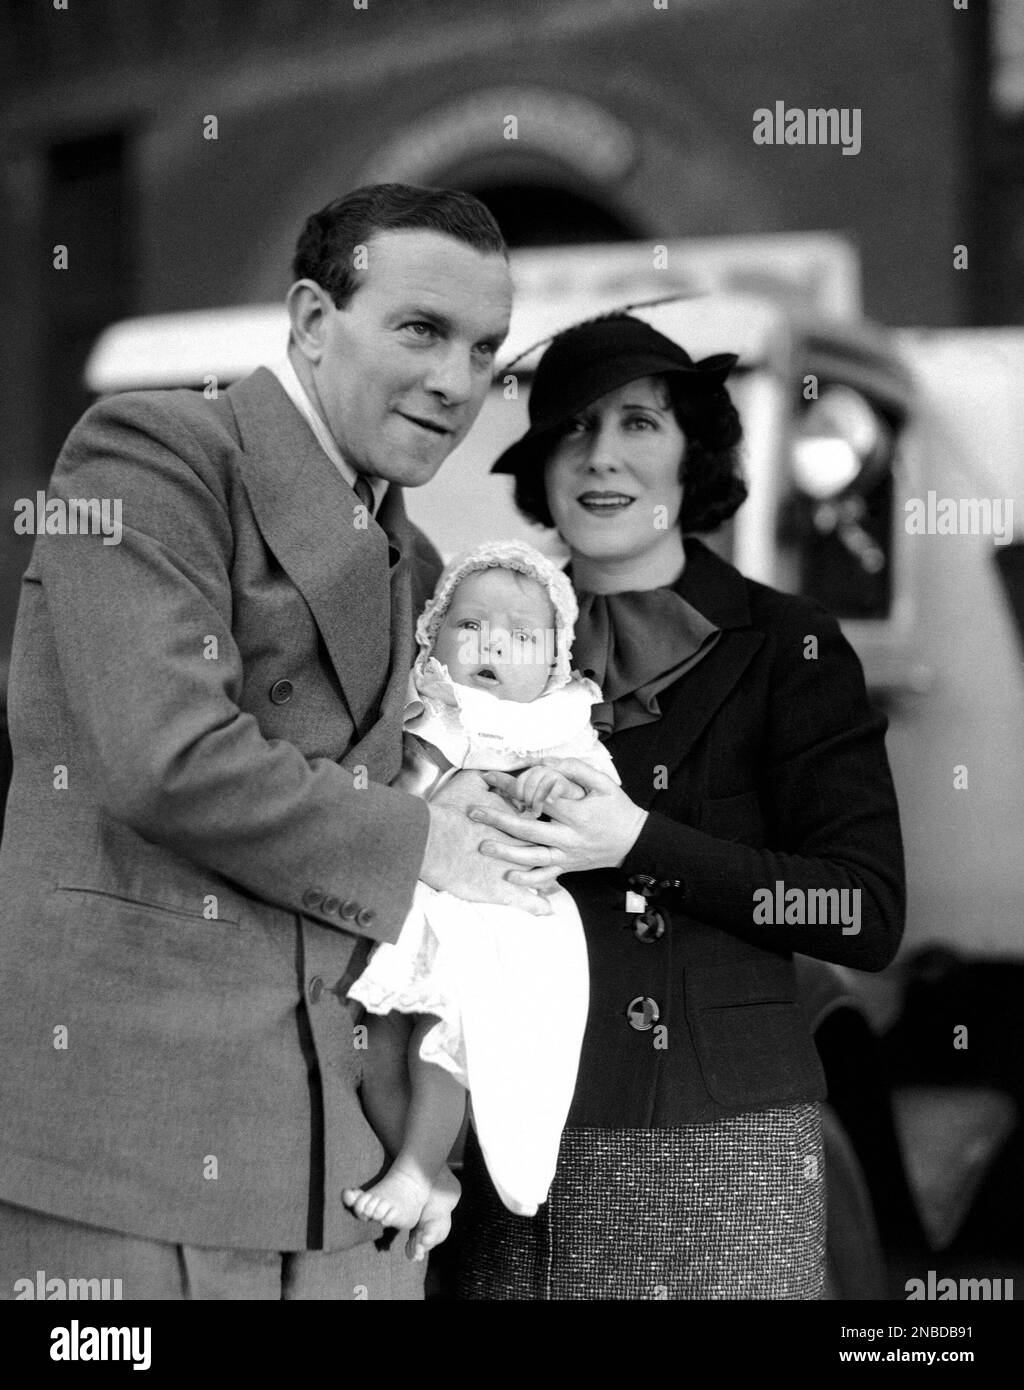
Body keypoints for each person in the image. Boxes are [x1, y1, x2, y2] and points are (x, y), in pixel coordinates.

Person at [0, 183, 553, 1302]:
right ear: (310, 319)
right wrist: (421, 842)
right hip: (141, 1152)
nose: (458, 379)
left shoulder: (422, 556)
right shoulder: (149, 455)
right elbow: (169, 756)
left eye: (485, 346)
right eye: (421, 329)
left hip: (350, 1171)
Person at [452, 313, 906, 1300]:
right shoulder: (477, 639)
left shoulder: (791, 644)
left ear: (690, 454)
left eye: (638, 424)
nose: (601, 455)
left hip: (719, 1155)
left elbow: (859, 912)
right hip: (503, 1150)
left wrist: (638, 841)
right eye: (573, 427)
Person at [342, 540, 620, 1258]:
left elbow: (605, 805)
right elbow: (384, 791)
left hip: (500, 912)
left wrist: (554, 787)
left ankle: (417, 1166)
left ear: (555, 660)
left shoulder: (561, 723)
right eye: (470, 626)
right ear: (433, 636)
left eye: (522, 635)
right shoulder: (419, 705)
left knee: (447, 1040)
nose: (492, 642)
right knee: (372, 1037)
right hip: (416, 898)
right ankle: (425, 1170)